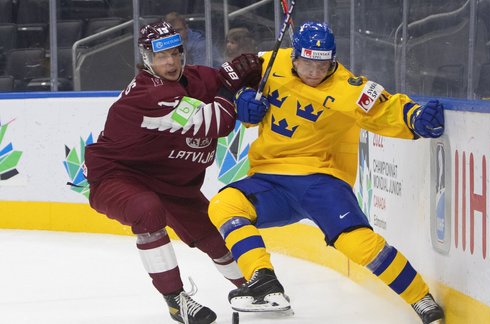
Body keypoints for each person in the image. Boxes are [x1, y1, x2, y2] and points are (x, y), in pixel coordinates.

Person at [208, 22, 446, 324]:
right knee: (223, 204)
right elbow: (224, 84)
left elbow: (388, 110)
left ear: (332, 59)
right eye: (307, 62)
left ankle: (420, 298)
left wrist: (416, 118)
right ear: (294, 57)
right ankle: (263, 280)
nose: (314, 71)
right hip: (270, 179)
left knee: (357, 243)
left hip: (322, 180)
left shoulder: (350, 88)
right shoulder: (269, 63)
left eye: (322, 63)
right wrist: (240, 98)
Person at [83, 21, 262, 324]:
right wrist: (234, 89)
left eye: (174, 54)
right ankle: (176, 300)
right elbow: (216, 121)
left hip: (171, 183)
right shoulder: (149, 95)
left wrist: (248, 72)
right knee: (147, 209)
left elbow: (225, 79)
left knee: (215, 236)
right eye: (159, 57)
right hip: (117, 176)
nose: (169, 63)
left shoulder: (195, 77)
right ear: (147, 59)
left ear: (182, 53)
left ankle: (254, 291)